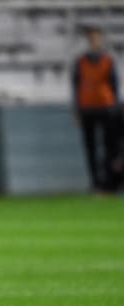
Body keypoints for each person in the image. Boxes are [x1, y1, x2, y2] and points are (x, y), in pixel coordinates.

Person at [73, 25, 122, 193]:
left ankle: (109, 183)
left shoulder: (108, 60)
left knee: (110, 147)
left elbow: (114, 86)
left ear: (100, 39)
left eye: (96, 37)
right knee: (91, 148)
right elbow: (76, 86)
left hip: (107, 108)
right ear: (88, 40)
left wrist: (115, 107)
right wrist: (77, 110)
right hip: (87, 108)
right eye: (91, 37)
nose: (94, 40)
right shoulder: (80, 61)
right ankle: (95, 183)